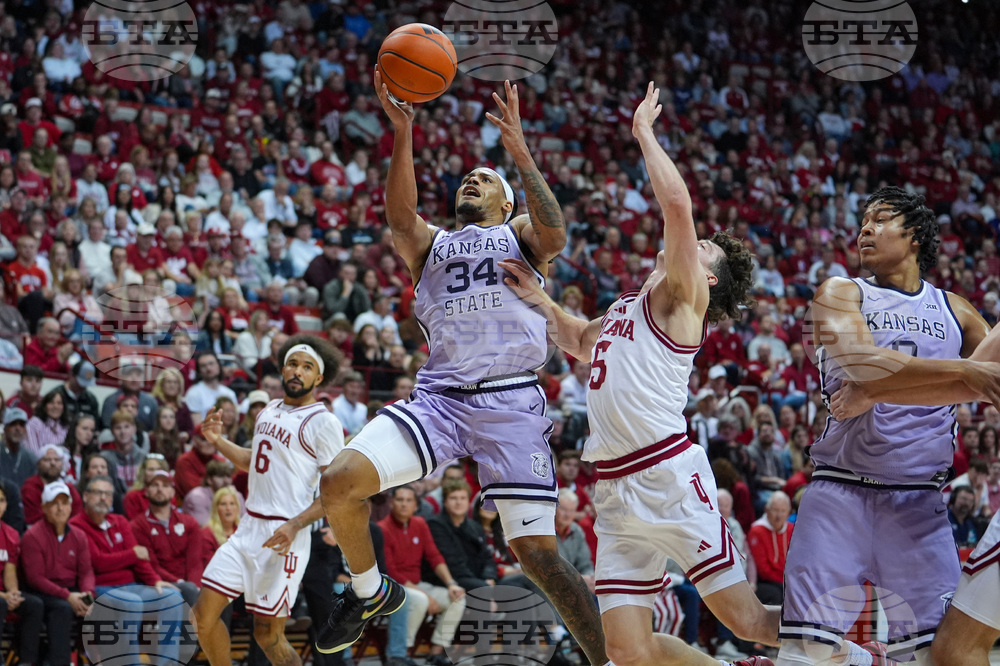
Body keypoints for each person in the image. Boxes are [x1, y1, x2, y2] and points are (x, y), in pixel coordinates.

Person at [500, 83, 876, 666]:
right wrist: (541, 300)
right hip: (616, 489)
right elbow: (577, 341)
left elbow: (678, 208)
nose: (690, 245)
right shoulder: (627, 306)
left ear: (711, 281)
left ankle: (853, 656)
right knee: (627, 651)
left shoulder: (682, 302)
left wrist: (644, 134)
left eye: (703, 249)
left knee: (747, 620)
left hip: (669, 477)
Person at [317, 74, 607, 665]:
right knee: (338, 482)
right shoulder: (432, 244)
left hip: (509, 403)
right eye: (466, 179)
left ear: (506, 202)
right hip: (441, 400)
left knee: (539, 557)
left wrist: (520, 152)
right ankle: (371, 592)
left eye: (486, 179)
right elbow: (401, 218)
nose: (472, 181)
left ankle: (609, 662)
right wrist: (403, 133)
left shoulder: (518, 235)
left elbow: (555, 231)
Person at [772, 184, 1000, 666]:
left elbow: (988, 379)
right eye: (862, 223)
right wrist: (964, 373)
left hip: (920, 503)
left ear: (914, 234)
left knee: (942, 657)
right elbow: (861, 365)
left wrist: (972, 376)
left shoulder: (957, 310)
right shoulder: (838, 292)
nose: (865, 231)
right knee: (805, 654)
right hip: (839, 497)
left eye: (880, 220)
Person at [192, 335, 344, 666]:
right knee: (201, 617)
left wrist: (295, 525)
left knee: (268, 636)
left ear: (318, 378)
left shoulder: (324, 422)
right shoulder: (269, 410)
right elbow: (253, 461)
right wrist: (217, 440)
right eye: (292, 363)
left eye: (307, 367)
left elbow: (335, 493)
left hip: (285, 536)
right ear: (282, 368)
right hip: (248, 528)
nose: (297, 371)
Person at [20, 481, 95, 666]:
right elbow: (35, 578)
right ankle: (59, 662)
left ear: (71, 506)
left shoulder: (79, 535)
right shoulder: (32, 536)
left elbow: (86, 572)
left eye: (64, 503)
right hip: (42, 591)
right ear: (44, 508)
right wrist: (68, 596)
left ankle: (101, 659)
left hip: (71, 590)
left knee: (101, 605)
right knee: (62, 608)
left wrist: (87, 594)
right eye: (55, 504)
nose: (60, 508)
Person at [129, 469, 203, 607]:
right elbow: (152, 565)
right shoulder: (138, 525)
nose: (159, 489)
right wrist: (182, 583)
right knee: (189, 592)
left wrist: (195, 585)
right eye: (154, 485)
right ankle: (196, 629)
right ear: (146, 491)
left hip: (190, 583)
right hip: (158, 582)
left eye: (165, 485)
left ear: (173, 492)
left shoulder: (189, 522)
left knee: (220, 596)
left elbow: (195, 562)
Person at [0, 482, 44, 665]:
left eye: (1, 500)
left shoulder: (9, 533)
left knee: (34, 604)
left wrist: (13, 593)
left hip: (3, 596)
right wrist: (3, 596)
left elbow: (10, 570)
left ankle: (26, 662)